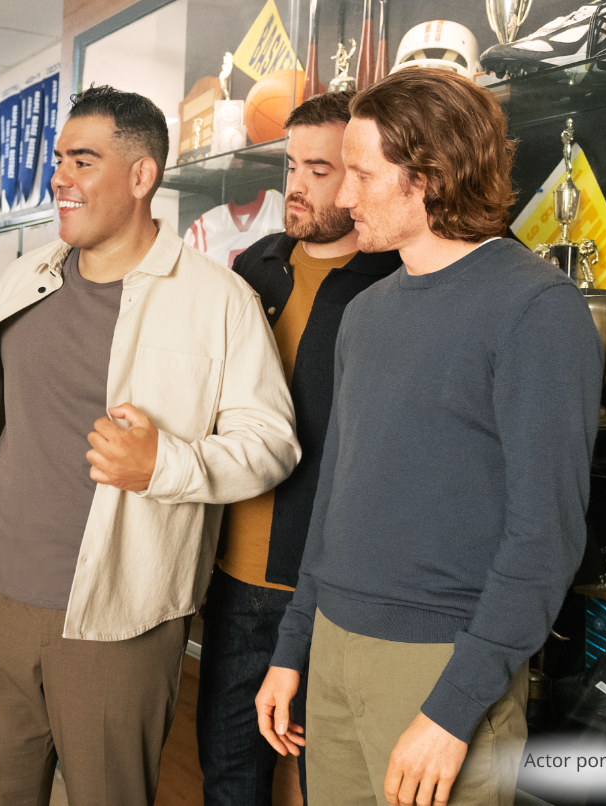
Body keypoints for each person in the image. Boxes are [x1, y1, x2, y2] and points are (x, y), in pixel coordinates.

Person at [0, 85, 301, 806]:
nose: (60, 178)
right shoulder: (23, 280)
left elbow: (271, 444)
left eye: (83, 160)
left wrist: (166, 464)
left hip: (119, 617)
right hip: (1, 598)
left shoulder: (215, 300)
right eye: (59, 160)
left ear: (141, 176)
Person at [255, 69, 603, 806]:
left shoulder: (537, 309)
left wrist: (454, 707)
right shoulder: (368, 311)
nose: (342, 197)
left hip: (442, 667)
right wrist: (294, 648)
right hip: (335, 651)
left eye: (359, 173)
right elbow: (334, 500)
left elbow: (545, 537)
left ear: (427, 178)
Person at [196, 90, 400, 806]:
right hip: (232, 577)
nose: (298, 185)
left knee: (332, 786)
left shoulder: (395, 284)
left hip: (331, 592)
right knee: (227, 780)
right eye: (293, 165)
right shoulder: (255, 268)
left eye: (322, 168)